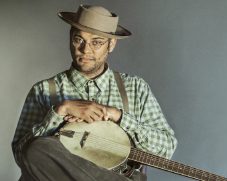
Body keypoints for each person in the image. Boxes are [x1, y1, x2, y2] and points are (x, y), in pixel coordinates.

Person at [12, 4, 177, 181]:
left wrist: (120, 117)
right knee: (37, 149)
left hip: (118, 173)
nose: (85, 49)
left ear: (111, 44)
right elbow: (23, 155)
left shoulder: (135, 88)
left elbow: (165, 149)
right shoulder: (43, 90)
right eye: (78, 39)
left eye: (96, 42)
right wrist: (60, 111)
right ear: (70, 38)